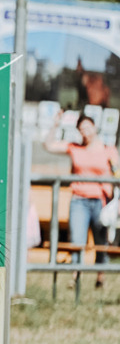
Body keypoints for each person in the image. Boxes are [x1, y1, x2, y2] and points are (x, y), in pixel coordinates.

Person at [44, 113, 119, 289]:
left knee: (101, 242)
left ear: (94, 127)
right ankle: (75, 276)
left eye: (87, 127)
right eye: (81, 129)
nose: (85, 132)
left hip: (101, 201)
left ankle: (100, 276)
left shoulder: (108, 150)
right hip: (79, 200)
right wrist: (55, 124)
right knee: (77, 240)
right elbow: (49, 145)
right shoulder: (75, 148)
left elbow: (117, 173)